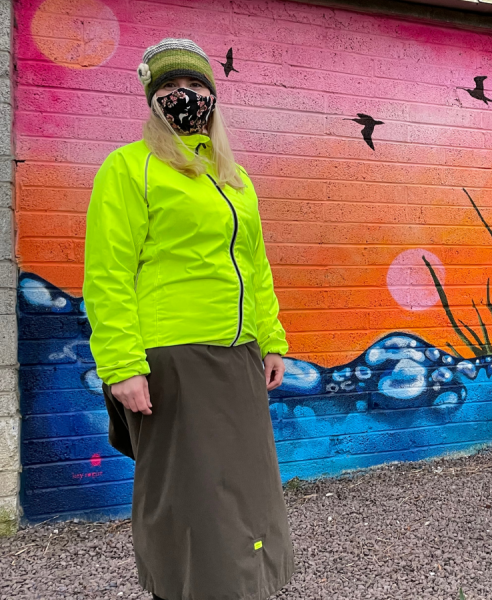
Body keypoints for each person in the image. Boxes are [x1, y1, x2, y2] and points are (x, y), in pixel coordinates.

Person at [83, 38, 294, 599]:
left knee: (247, 488)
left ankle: (245, 586)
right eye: (173, 89)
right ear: (153, 99)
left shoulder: (233, 177)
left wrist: (271, 339)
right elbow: (108, 273)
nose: (187, 97)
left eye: (198, 87)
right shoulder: (129, 168)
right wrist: (122, 365)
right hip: (172, 357)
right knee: (189, 492)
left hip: (239, 355)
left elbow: (256, 262)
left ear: (214, 97)